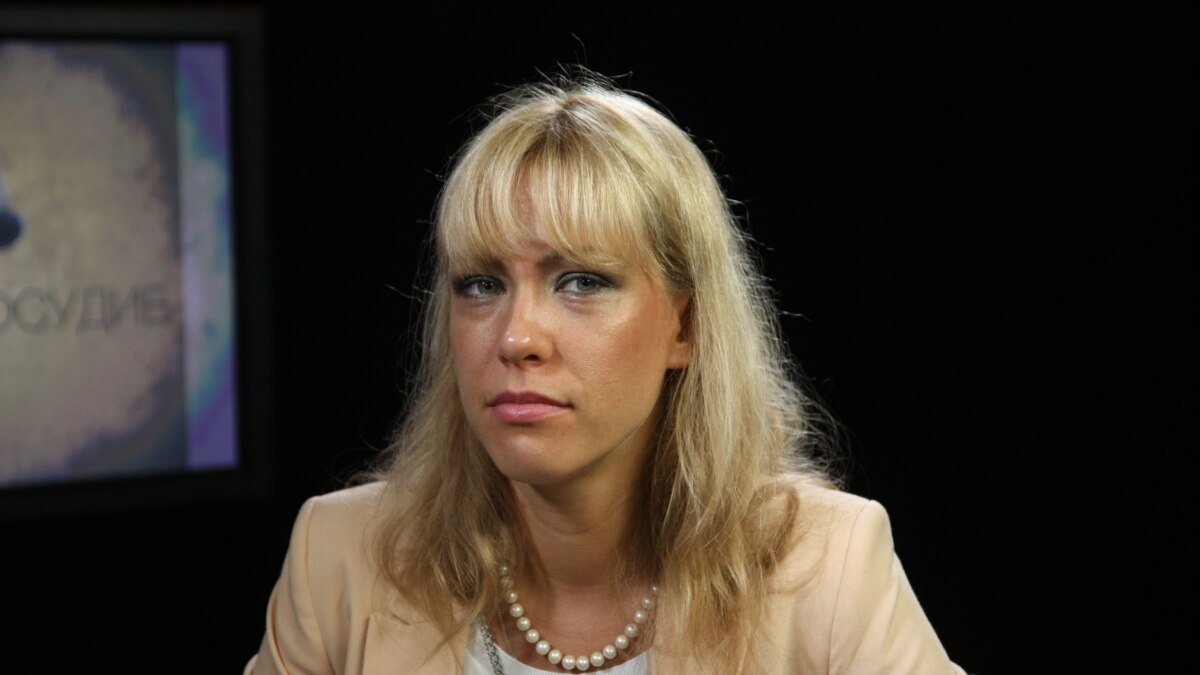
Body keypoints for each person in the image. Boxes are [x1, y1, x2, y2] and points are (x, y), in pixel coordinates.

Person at [246, 74, 967, 674]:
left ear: (685, 326)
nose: (517, 338)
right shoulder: (336, 557)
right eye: (481, 284)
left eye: (582, 281)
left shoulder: (829, 567)